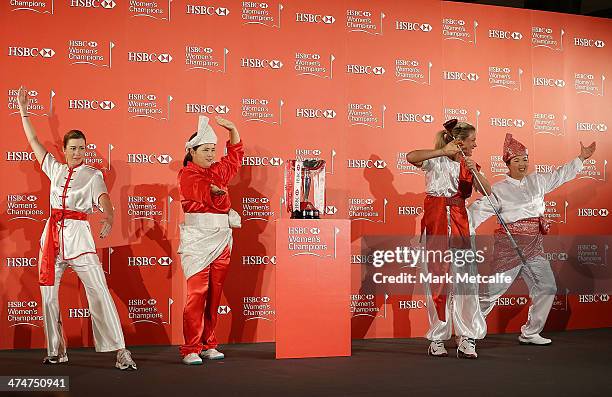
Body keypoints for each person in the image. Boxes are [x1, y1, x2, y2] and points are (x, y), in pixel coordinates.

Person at [16, 86, 137, 370]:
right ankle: (57, 350)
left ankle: (120, 351)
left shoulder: (93, 175)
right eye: (73, 148)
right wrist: (23, 111)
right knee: (48, 296)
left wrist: (108, 217)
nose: (78, 152)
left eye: (82, 148)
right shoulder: (54, 168)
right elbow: (33, 139)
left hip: (80, 239)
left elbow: (104, 199)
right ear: (65, 150)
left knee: (99, 292)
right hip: (52, 240)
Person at [469, 134, 596, 345]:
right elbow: (476, 211)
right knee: (489, 294)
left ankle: (530, 332)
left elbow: (560, 175)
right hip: (509, 248)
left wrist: (581, 159)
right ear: (508, 164)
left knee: (547, 287)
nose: (522, 164)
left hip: (534, 247)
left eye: (525, 159)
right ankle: (468, 332)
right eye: (517, 160)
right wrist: (463, 230)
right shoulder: (499, 189)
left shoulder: (537, 181)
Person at [406, 119, 491, 359]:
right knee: (437, 280)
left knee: (466, 282)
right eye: (472, 141)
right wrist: (442, 151)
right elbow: (410, 156)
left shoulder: (469, 164)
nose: (475, 144)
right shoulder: (435, 161)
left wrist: (475, 171)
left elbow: (487, 191)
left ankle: (466, 336)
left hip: (460, 225)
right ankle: (437, 336)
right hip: (435, 225)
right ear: (459, 141)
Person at [178, 115, 244, 365]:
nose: (210, 154)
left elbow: (234, 159)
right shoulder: (187, 175)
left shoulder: (217, 171)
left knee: (215, 295)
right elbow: (210, 196)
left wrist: (233, 130)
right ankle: (190, 348)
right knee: (197, 294)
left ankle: (209, 343)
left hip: (221, 239)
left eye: (213, 150)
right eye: (205, 150)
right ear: (191, 152)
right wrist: (218, 193)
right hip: (197, 241)